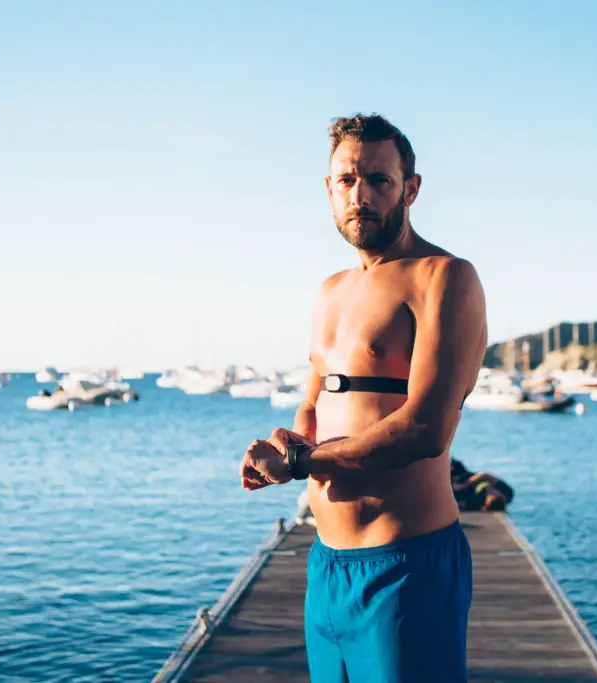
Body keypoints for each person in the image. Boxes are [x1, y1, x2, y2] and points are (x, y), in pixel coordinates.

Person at [239, 113, 488, 683]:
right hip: (327, 569)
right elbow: (313, 402)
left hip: (407, 567)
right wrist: (284, 446)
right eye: (347, 181)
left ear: (411, 188)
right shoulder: (330, 291)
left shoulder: (443, 277)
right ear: (329, 189)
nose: (362, 195)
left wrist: (303, 463)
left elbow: (424, 430)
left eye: (380, 180)